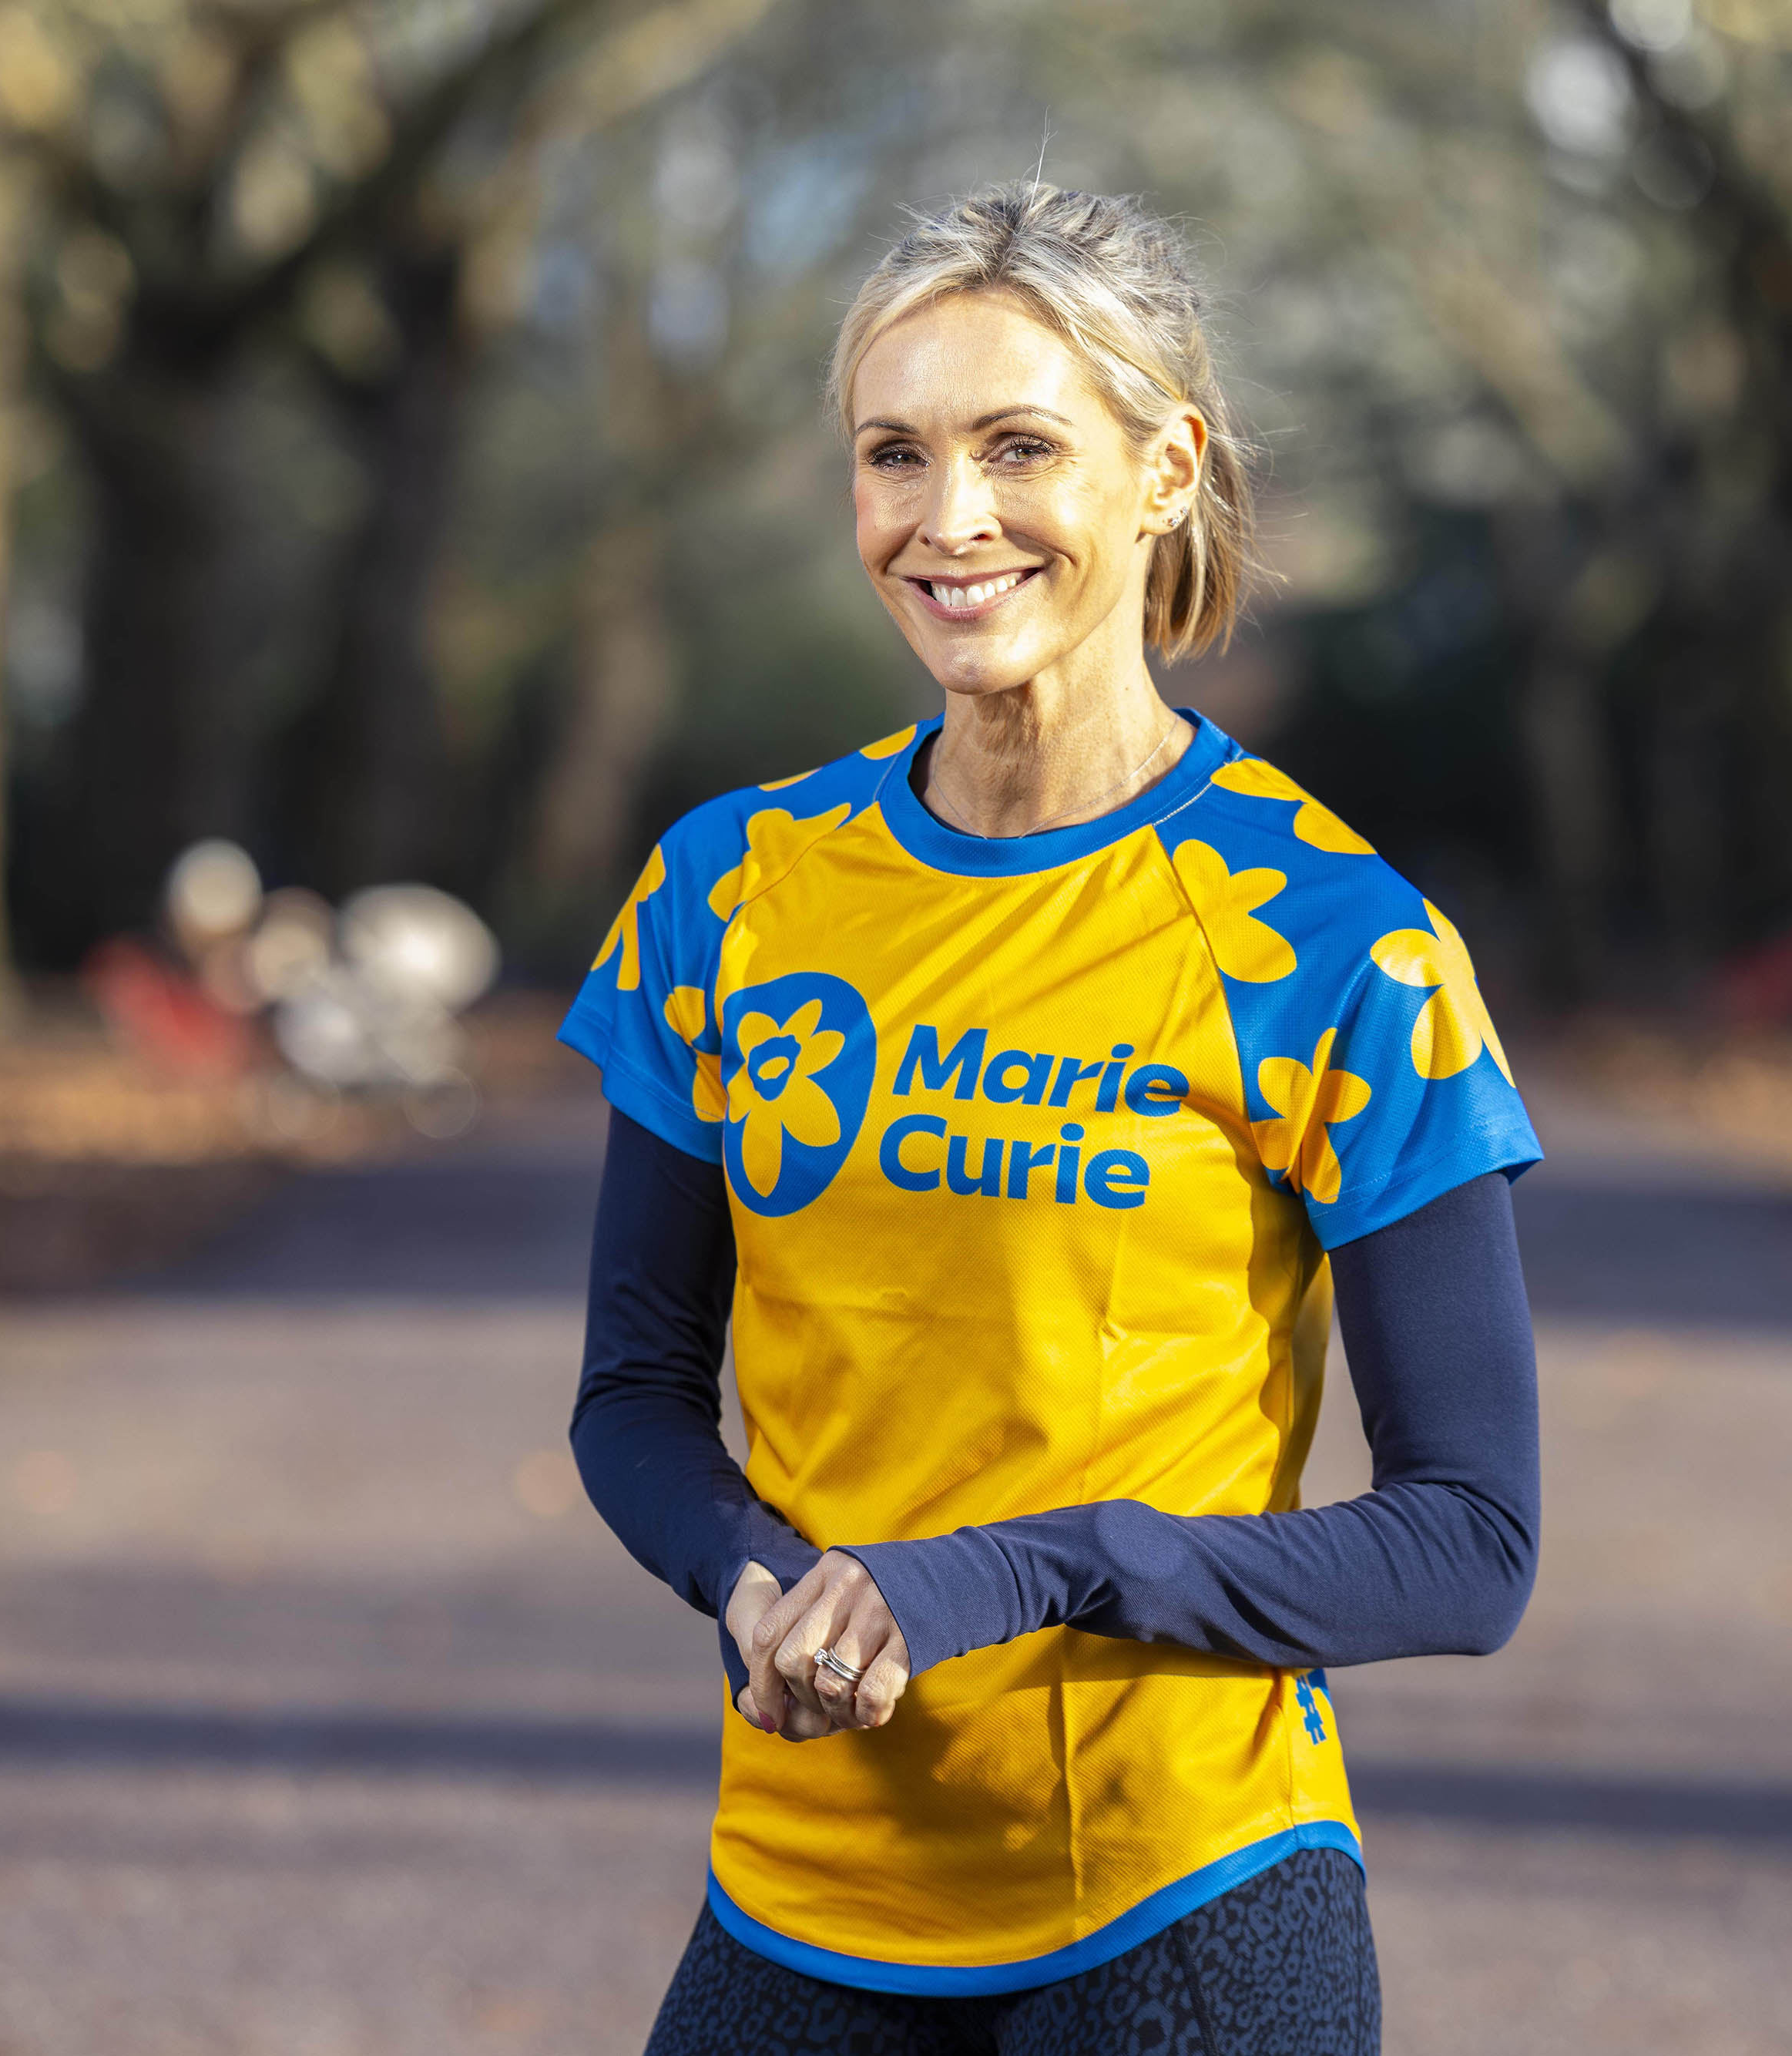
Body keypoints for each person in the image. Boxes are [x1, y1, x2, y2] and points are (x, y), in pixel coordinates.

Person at [562, 181, 1542, 2056]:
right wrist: (762, 1580)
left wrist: (1010, 1572)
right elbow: (632, 1393)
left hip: (1187, 1895)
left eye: (1020, 446)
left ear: (1163, 469)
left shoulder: (1342, 942)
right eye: (893, 454)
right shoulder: (725, 891)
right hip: (800, 1888)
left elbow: (1468, 1541)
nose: (949, 520)